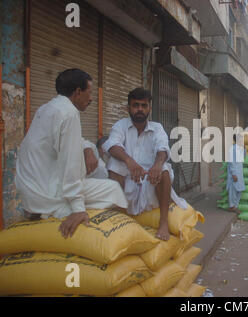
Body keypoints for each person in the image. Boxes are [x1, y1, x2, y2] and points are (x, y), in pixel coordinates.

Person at [15, 69, 128, 238]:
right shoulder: (69, 114)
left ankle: (39, 214)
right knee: (114, 190)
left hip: (29, 191)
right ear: (77, 92)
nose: (90, 99)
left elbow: (65, 141)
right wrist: (78, 209)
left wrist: (88, 148)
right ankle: (122, 234)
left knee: (92, 174)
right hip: (46, 192)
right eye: (89, 93)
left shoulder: (46, 108)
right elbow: (70, 164)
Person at [102, 88, 188, 241]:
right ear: (128, 108)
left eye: (144, 105)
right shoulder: (120, 126)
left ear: (149, 108)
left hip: (151, 184)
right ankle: (120, 219)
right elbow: (112, 144)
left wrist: (157, 165)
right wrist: (129, 162)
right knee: (114, 163)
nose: (140, 109)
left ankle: (163, 223)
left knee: (165, 168)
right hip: (127, 183)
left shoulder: (157, 128)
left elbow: (163, 147)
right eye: (136, 105)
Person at [227, 134, 246, 213]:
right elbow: (231, 162)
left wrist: (245, 149)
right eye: (241, 139)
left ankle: (236, 205)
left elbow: (243, 157)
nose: (242, 141)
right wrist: (233, 174)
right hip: (234, 172)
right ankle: (232, 206)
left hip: (240, 172)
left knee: (240, 189)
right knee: (233, 190)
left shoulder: (240, 149)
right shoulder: (232, 149)